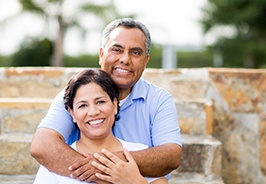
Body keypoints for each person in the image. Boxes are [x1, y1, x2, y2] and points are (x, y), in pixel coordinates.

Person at [30, 18, 182, 183]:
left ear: (146, 61)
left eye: (136, 52)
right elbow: (42, 145)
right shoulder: (75, 94)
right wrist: (104, 174)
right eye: (117, 50)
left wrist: (109, 168)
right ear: (102, 54)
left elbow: (170, 156)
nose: (125, 59)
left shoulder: (159, 100)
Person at [33, 69, 167, 184]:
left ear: (114, 105)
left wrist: (136, 182)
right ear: (72, 113)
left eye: (100, 102)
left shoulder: (139, 153)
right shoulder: (55, 162)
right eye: (83, 105)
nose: (94, 112)